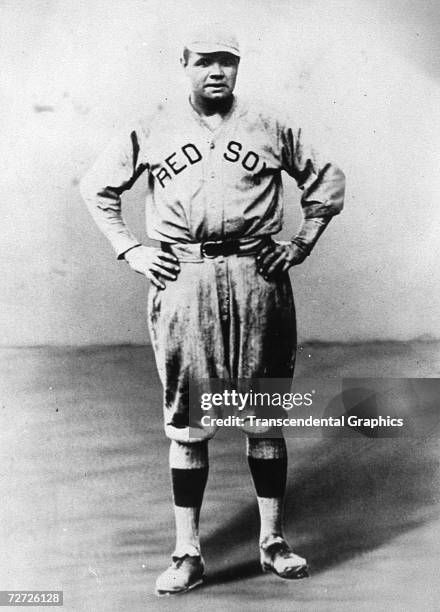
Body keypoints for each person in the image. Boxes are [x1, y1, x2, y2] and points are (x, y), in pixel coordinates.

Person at [80, 24, 345, 596]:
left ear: (238, 67)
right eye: (205, 62)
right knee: (189, 416)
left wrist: (299, 243)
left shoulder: (272, 125)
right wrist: (130, 247)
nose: (216, 71)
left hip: (256, 273)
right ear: (185, 64)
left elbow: (325, 182)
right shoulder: (151, 125)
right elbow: (98, 187)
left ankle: (272, 543)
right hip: (185, 275)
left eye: (226, 61)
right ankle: (188, 553)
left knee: (263, 409)